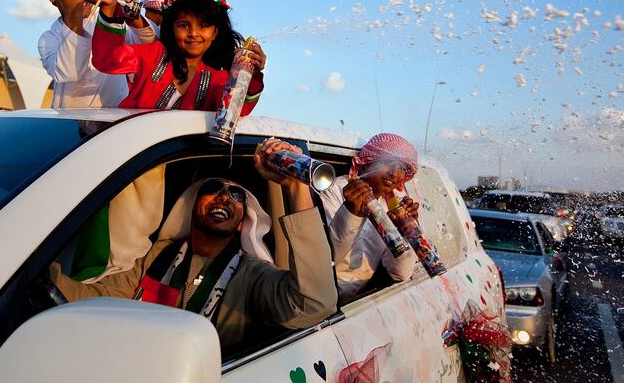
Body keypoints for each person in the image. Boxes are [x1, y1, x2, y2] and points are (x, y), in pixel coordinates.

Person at [51, 139, 337, 353]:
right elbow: (99, 298)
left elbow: (314, 304)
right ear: (192, 206)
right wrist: (40, 274)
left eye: (235, 194)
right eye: (213, 189)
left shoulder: (251, 276)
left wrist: (295, 186)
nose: (224, 197)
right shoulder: (159, 255)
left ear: (243, 222)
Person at [91, 0, 266, 112]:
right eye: (184, 25)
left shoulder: (217, 79)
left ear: (215, 33)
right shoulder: (154, 54)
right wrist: (108, 9)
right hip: (128, 152)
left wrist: (251, 73)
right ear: (172, 28)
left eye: (203, 26)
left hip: (170, 158)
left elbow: (235, 109)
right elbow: (106, 60)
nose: (193, 33)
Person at [37, 0, 157, 108]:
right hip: (72, 126)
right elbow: (69, 72)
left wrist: (127, 12)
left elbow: (151, 41)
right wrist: (73, 11)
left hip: (114, 124)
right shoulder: (48, 39)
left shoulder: (111, 22)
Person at [320, 133, 421, 301]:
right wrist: (351, 212)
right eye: (388, 162)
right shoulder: (335, 190)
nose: (394, 174)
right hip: (322, 298)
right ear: (368, 162)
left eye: (402, 168)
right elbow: (327, 258)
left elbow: (400, 274)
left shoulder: (395, 206)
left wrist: (406, 232)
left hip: (359, 302)